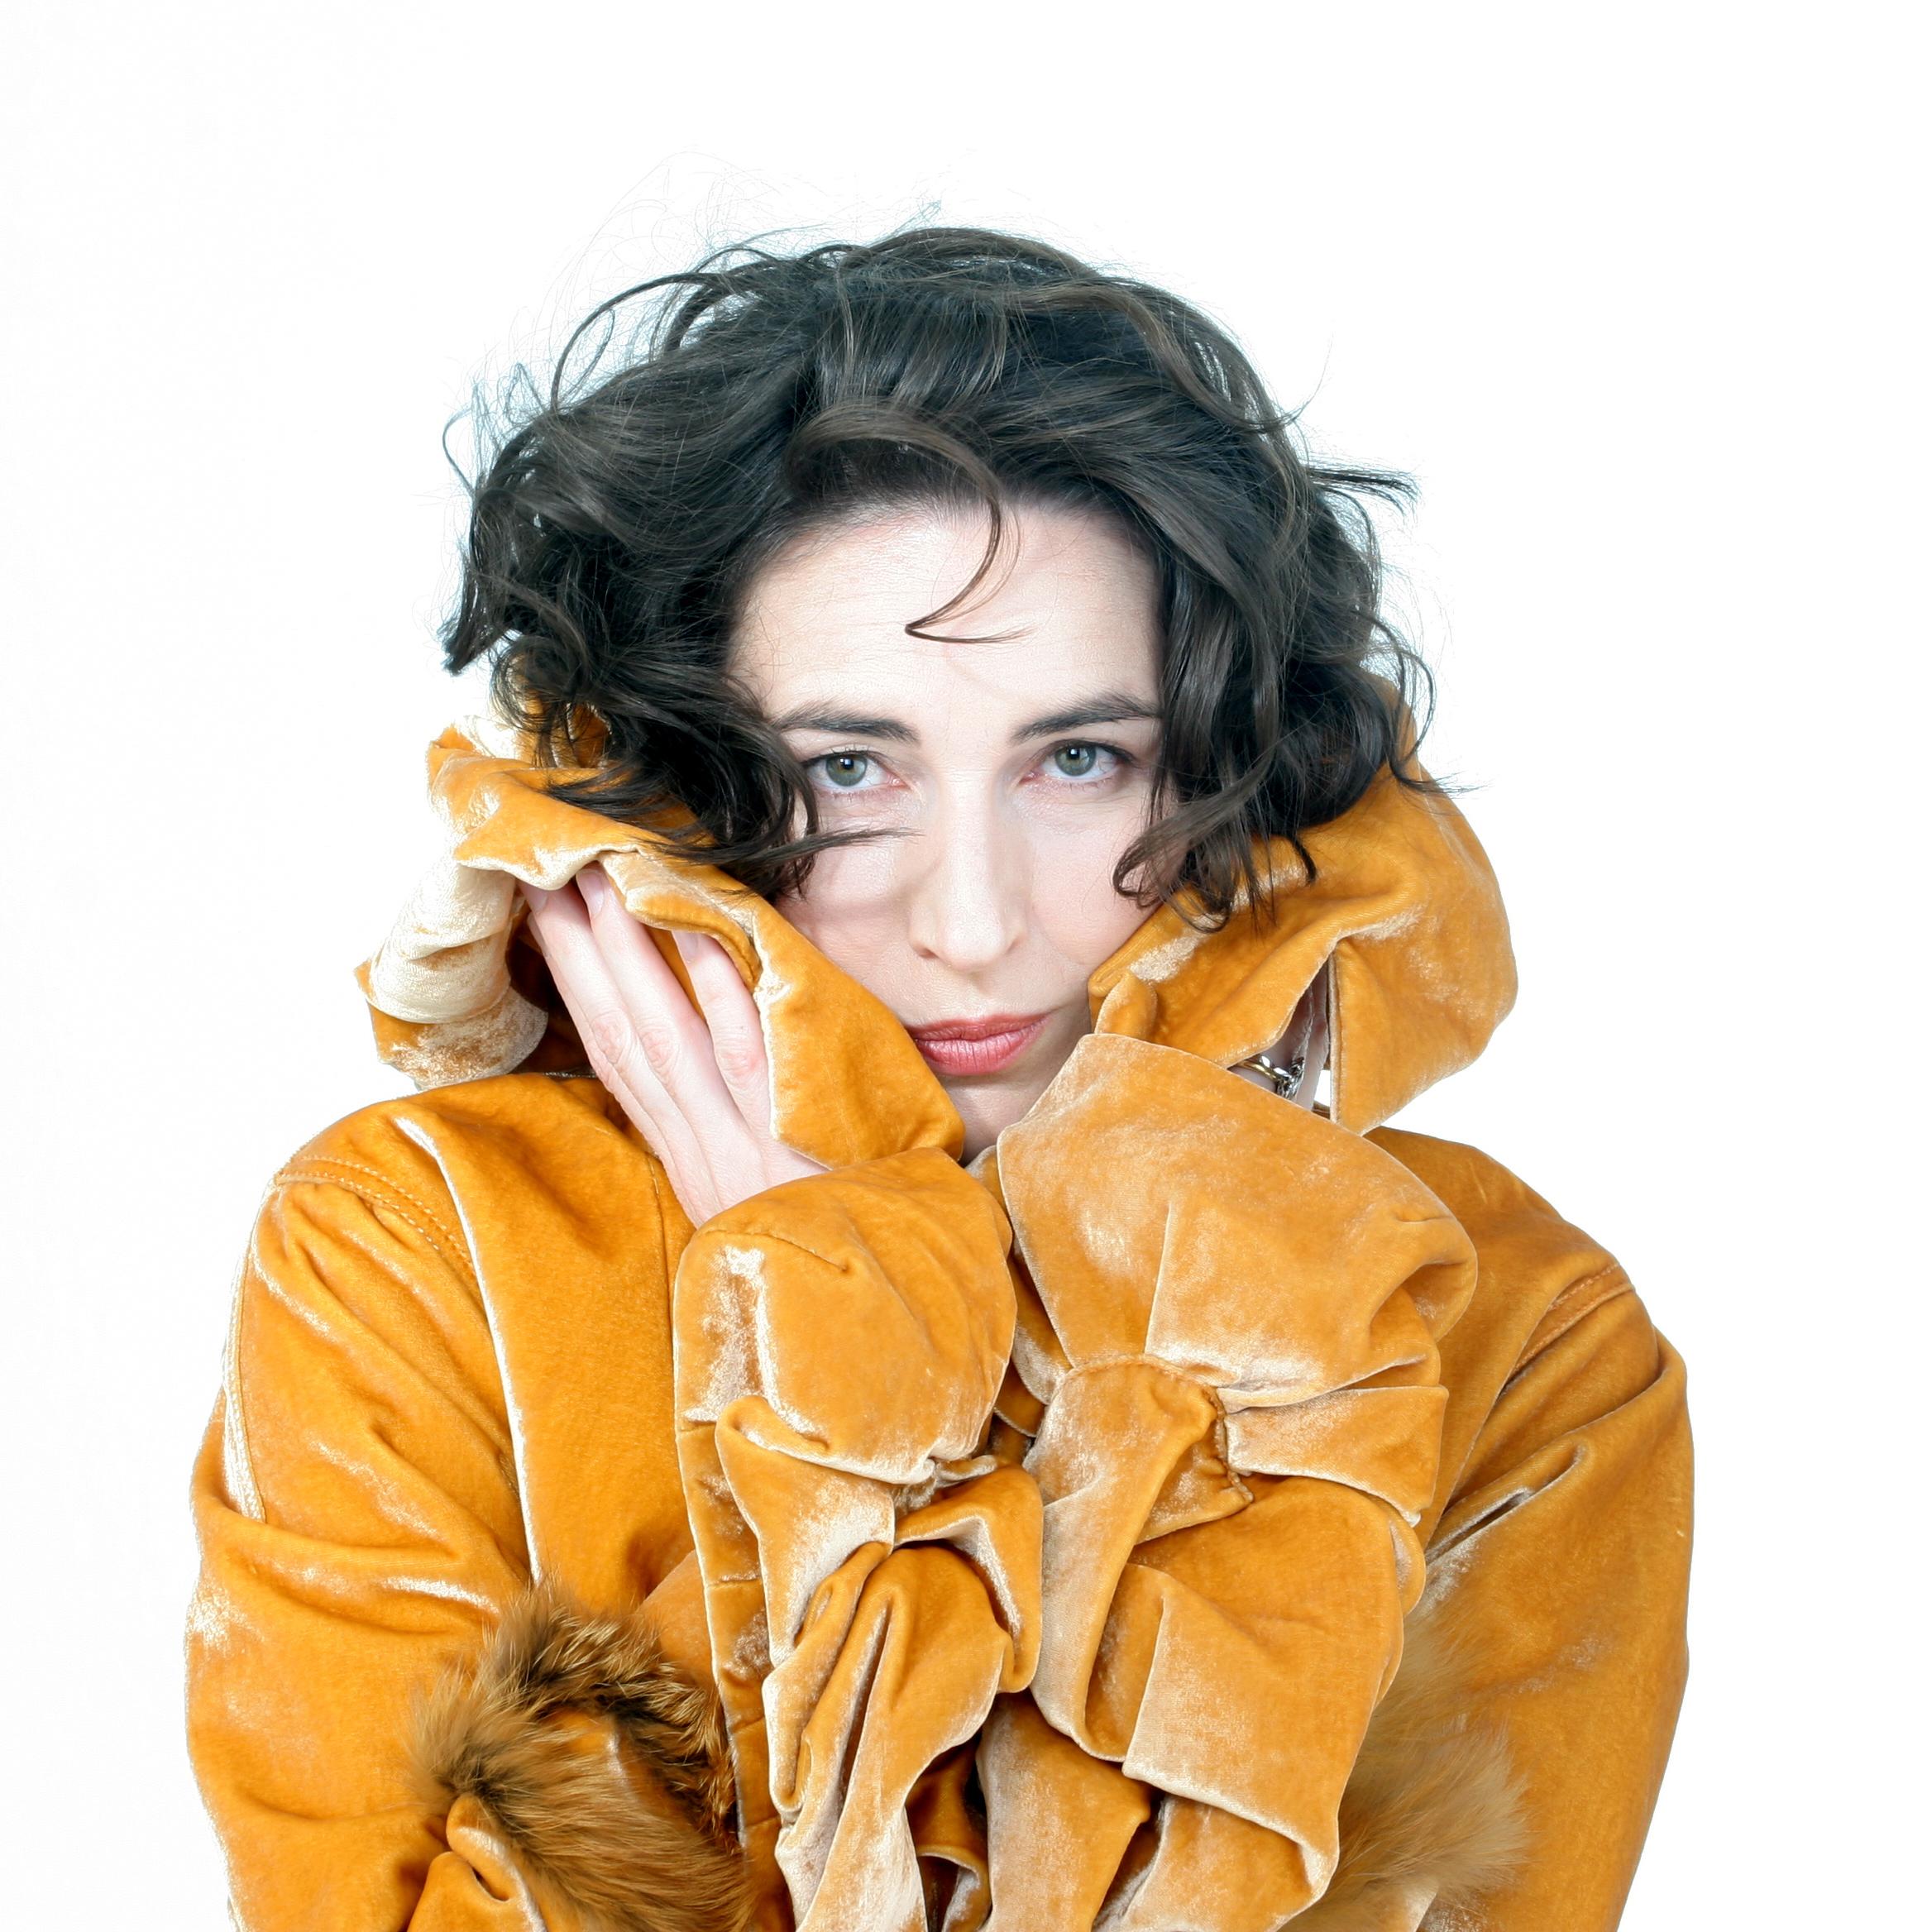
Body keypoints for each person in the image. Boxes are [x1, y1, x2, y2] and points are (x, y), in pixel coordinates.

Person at [184, 227, 1690, 1932]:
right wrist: (826, 1375)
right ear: (687, 786)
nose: (972, 924)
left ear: (1221, 770)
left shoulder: (1503, 1328)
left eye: (1078, 758)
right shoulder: (423, 1249)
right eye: (849, 768)